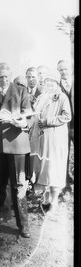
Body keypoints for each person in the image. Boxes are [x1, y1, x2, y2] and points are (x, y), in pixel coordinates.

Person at [0, 63, 32, 238]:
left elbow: (29, 115)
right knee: (1, 183)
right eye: (0, 76)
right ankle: (3, 216)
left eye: (6, 76)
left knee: (18, 185)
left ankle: (23, 224)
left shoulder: (21, 91)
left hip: (17, 144)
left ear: (10, 76)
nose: (3, 79)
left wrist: (23, 123)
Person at [29, 72, 71, 215]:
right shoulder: (41, 98)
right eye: (47, 82)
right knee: (44, 170)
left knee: (55, 169)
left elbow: (67, 116)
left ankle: (54, 203)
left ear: (57, 84)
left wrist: (47, 121)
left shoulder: (61, 97)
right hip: (42, 140)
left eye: (52, 82)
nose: (50, 85)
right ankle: (45, 200)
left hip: (56, 140)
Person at [57, 60, 74, 197]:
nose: (64, 72)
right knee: (64, 156)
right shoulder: (56, 87)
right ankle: (66, 186)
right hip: (64, 127)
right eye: (61, 70)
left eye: (65, 69)